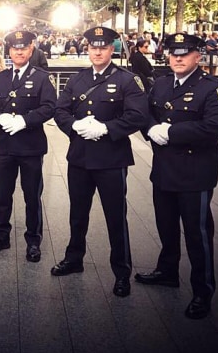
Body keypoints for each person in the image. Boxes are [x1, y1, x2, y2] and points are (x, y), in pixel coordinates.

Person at [136, 33, 218, 319]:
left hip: (195, 173)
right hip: (164, 168)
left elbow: (214, 128)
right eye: (173, 53)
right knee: (165, 226)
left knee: (197, 233)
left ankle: (203, 291)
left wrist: (171, 132)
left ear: (198, 56)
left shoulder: (214, 88)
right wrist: (151, 129)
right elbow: (147, 114)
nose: (178, 58)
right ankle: (167, 271)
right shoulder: (162, 84)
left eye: (185, 53)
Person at [51, 26, 148, 297]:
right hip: (80, 157)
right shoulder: (77, 79)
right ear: (87, 49)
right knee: (77, 213)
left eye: (103, 47)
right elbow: (60, 110)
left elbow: (137, 115)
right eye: (93, 47)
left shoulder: (128, 80)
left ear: (111, 49)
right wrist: (74, 126)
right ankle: (74, 258)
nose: (97, 51)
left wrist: (106, 129)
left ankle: (121, 271)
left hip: (111, 158)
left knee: (116, 216)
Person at [0, 30, 57, 262]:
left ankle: (33, 241)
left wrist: (24, 120)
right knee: (3, 194)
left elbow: (49, 106)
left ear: (31, 49)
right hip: (4, 146)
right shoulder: (1, 78)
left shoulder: (42, 77)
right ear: (9, 51)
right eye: (15, 48)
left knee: (32, 196)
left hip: (30, 147)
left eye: (23, 48)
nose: (19, 51)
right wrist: (0, 118)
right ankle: (1, 236)